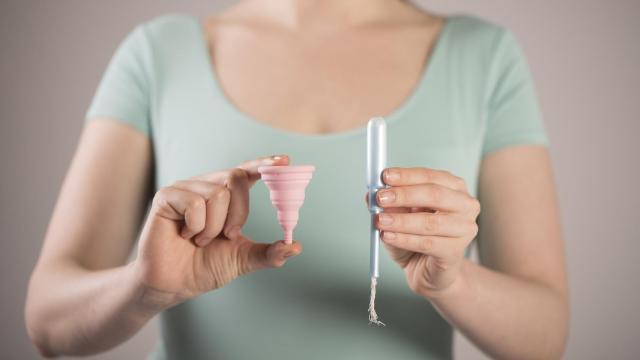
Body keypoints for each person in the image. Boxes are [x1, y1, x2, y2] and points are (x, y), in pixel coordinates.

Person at [24, 1, 568, 359]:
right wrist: (143, 289)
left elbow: (543, 336)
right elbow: (49, 320)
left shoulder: (483, 56)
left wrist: (453, 283)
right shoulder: (157, 55)